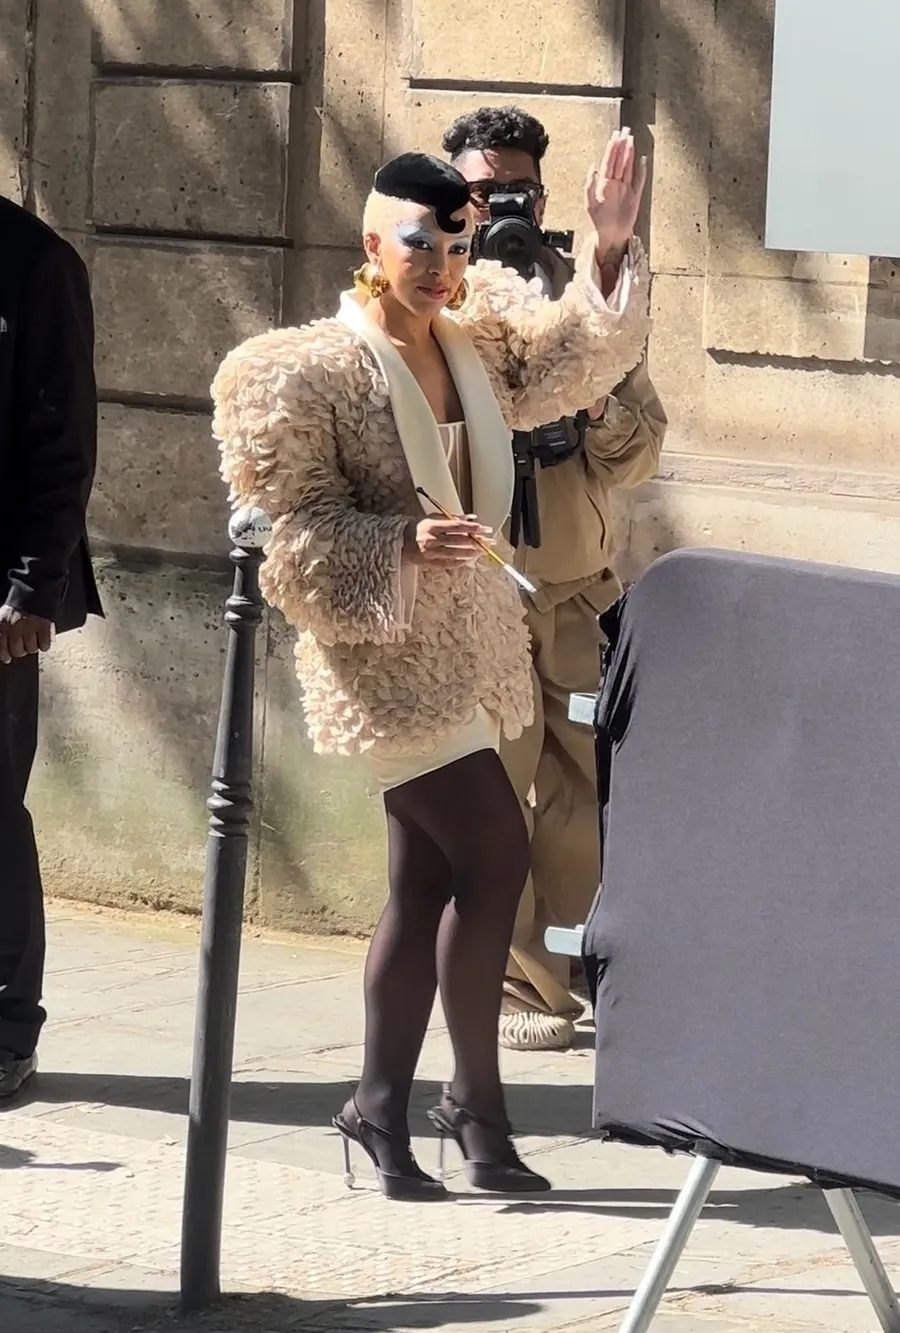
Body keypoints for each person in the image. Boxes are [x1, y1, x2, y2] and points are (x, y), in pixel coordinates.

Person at [211, 143, 650, 1199]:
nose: (443, 266)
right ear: (372, 241)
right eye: (420, 245)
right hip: (385, 660)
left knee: (424, 885)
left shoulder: (477, 333)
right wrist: (401, 544)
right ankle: (473, 1106)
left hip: (479, 651)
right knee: (496, 852)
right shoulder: (301, 371)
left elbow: (575, 366)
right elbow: (290, 538)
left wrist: (608, 248)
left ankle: (382, 1109)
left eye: (456, 247)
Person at [443, 107, 667, 1052]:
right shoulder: (431, 296)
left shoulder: (592, 300)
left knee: (584, 790)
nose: (500, 208)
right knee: (492, 789)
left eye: (517, 191)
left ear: (543, 196)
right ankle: (511, 982)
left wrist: (595, 400)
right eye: (481, 192)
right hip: (480, 588)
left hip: (578, 584)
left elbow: (642, 452)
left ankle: (567, 969)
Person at [0, 197, 102, 1102]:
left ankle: (7, 1027)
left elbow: (62, 439)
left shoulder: (34, 262)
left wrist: (34, 584)